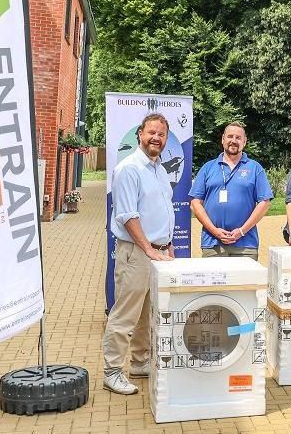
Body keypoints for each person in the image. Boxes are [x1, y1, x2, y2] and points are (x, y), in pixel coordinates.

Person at [102, 113, 175, 395]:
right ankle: (112, 372)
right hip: (136, 253)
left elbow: (161, 209)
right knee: (124, 316)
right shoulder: (129, 169)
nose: (156, 138)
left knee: (146, 314)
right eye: (151, 133)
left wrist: (166, 245)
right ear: (140, 135)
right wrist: (148, 248)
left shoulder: (158, 169)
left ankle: (141, 362)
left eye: (161, 134)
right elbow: (128, 216)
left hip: (156, 252)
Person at [189, 122, 273, 260]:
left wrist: (241, 231)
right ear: (223, 139)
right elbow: (195, 203)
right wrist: (215, 231)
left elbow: (265, 202)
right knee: (214, 281)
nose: (233, 141)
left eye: (238, 138)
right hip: (213, 243)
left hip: (246, 244)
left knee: (245, 282)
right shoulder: (207, 168)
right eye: (230, 136)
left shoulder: (255, 168)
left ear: (244, 142)